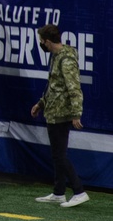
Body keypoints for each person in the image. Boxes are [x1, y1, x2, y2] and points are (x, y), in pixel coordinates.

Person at [30, 24, 88, 208]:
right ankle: (59, 192)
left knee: (60, 155)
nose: (41, 44)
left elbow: (74, 87)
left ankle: (79, 191)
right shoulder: (56, 57)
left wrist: (76, 113)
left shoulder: (66, 59)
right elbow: (54, 86)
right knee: (57, 155)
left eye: (41, 41)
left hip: (62, 113)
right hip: (52, 110)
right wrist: (40, 104)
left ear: (47, 41)